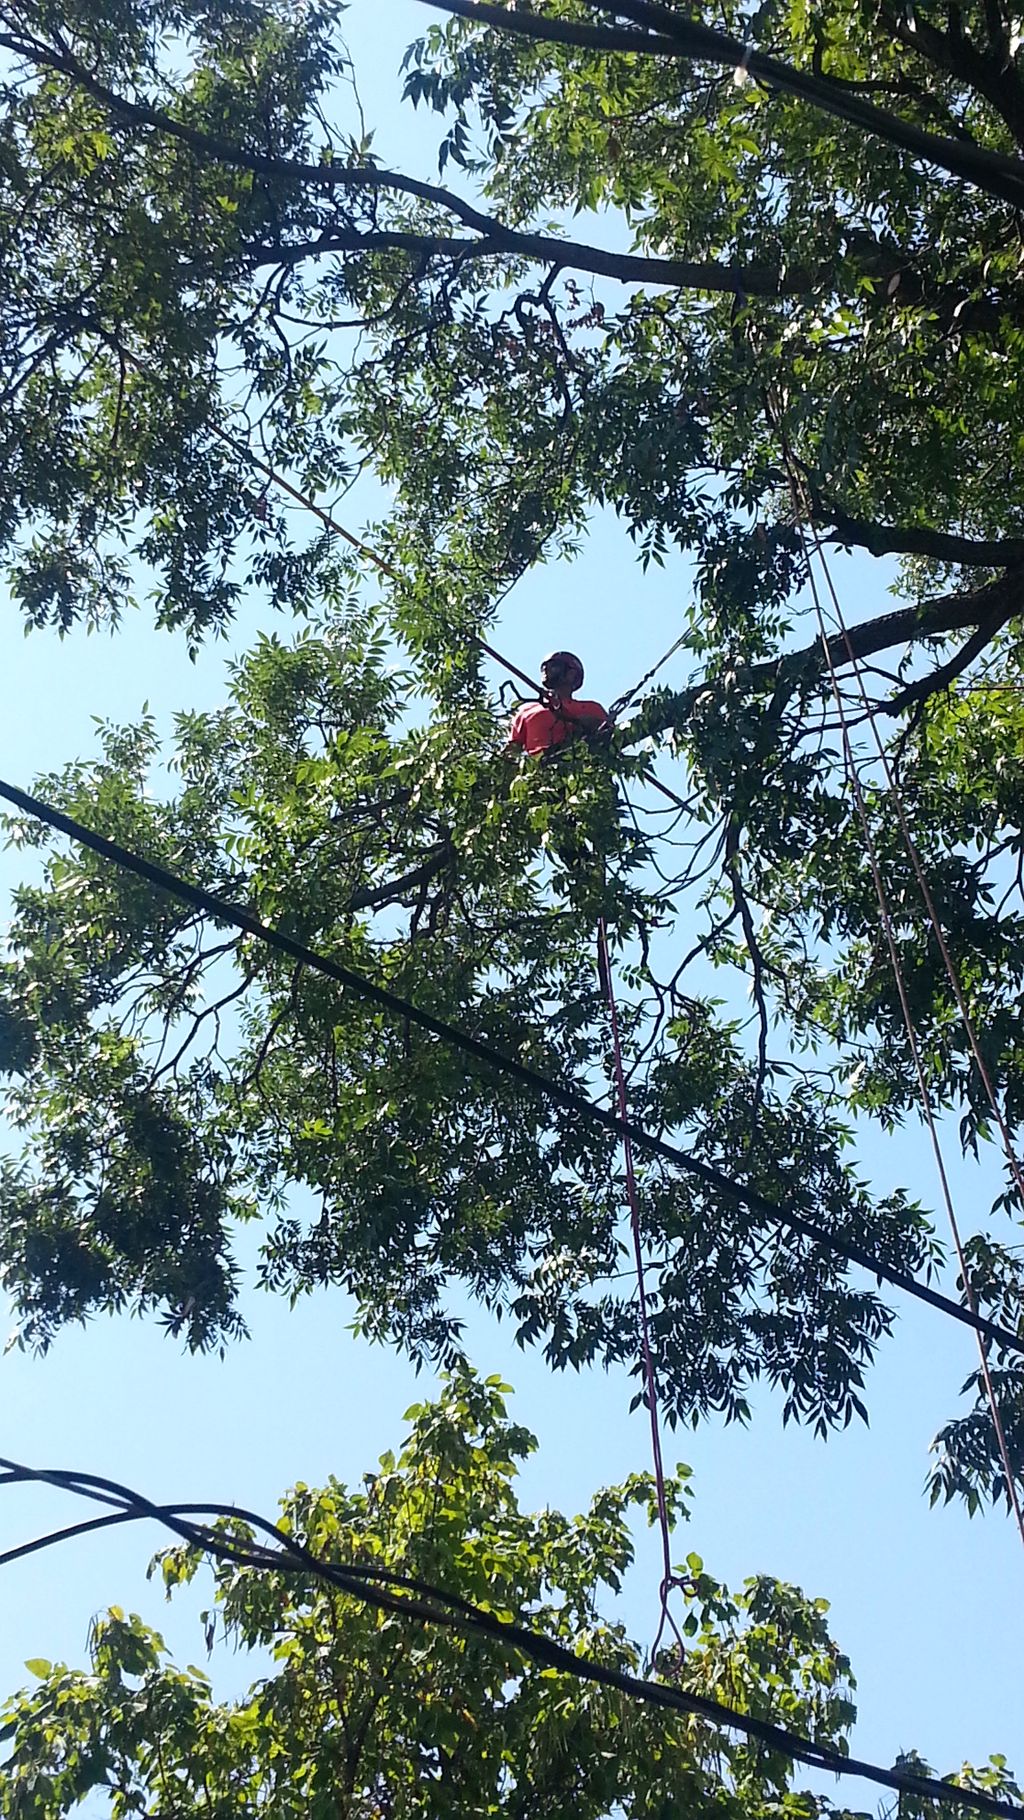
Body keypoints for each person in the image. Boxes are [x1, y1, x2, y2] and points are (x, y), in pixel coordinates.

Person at [506, 652, 608, 757]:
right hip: (538, 769)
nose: (546, 670)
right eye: (544, 667)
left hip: (576, 767)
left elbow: (612, 740)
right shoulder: (526, 711)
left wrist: (592, 723)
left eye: (554, 666)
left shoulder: (591, 709)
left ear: (571, 674)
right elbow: (512, 751)